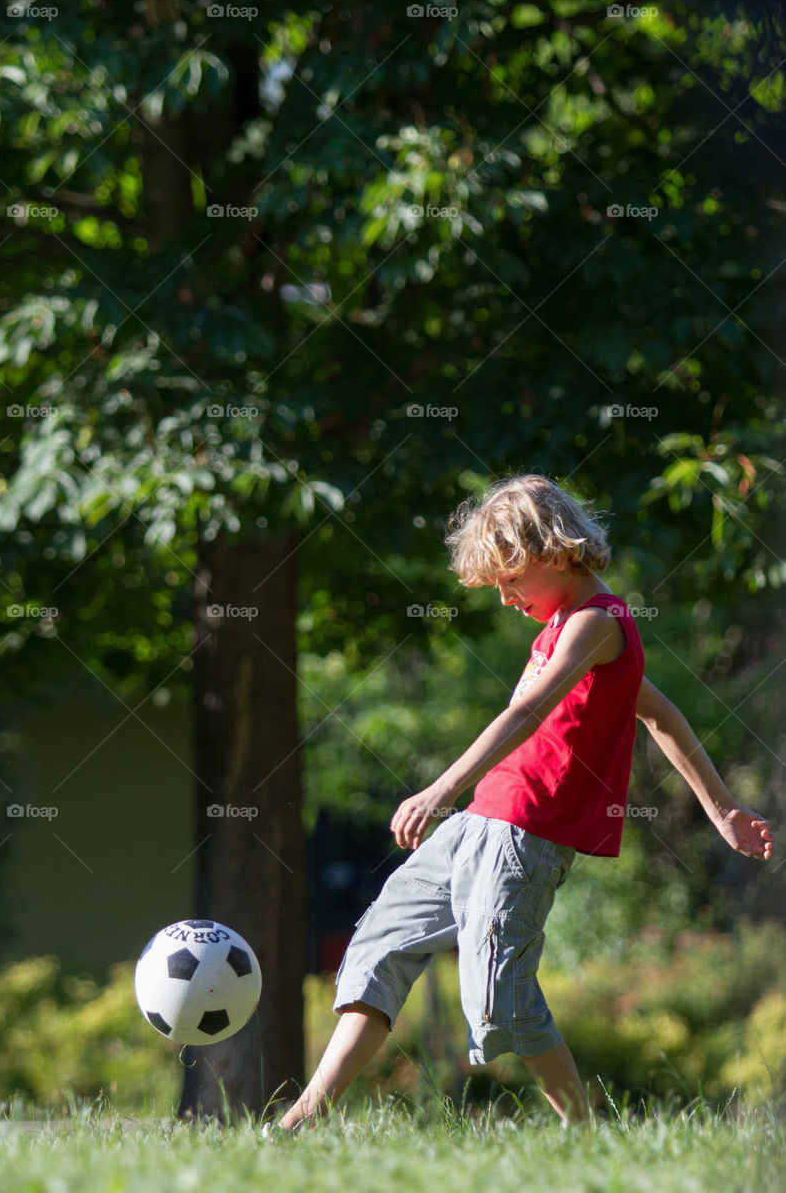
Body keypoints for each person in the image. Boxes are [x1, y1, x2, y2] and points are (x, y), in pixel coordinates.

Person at [275, 473, 774, 1131]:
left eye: (509, 581)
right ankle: (304, 1117)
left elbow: (528, 712)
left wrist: (438, 788)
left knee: (498, 1000)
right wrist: (721, 808)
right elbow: (660, 716)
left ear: (551, 552)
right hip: (478, 823)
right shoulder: (569, 626)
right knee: (379, 946)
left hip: (522, 836)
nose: (505, 599)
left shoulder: (597, 625)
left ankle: (582, 1134)